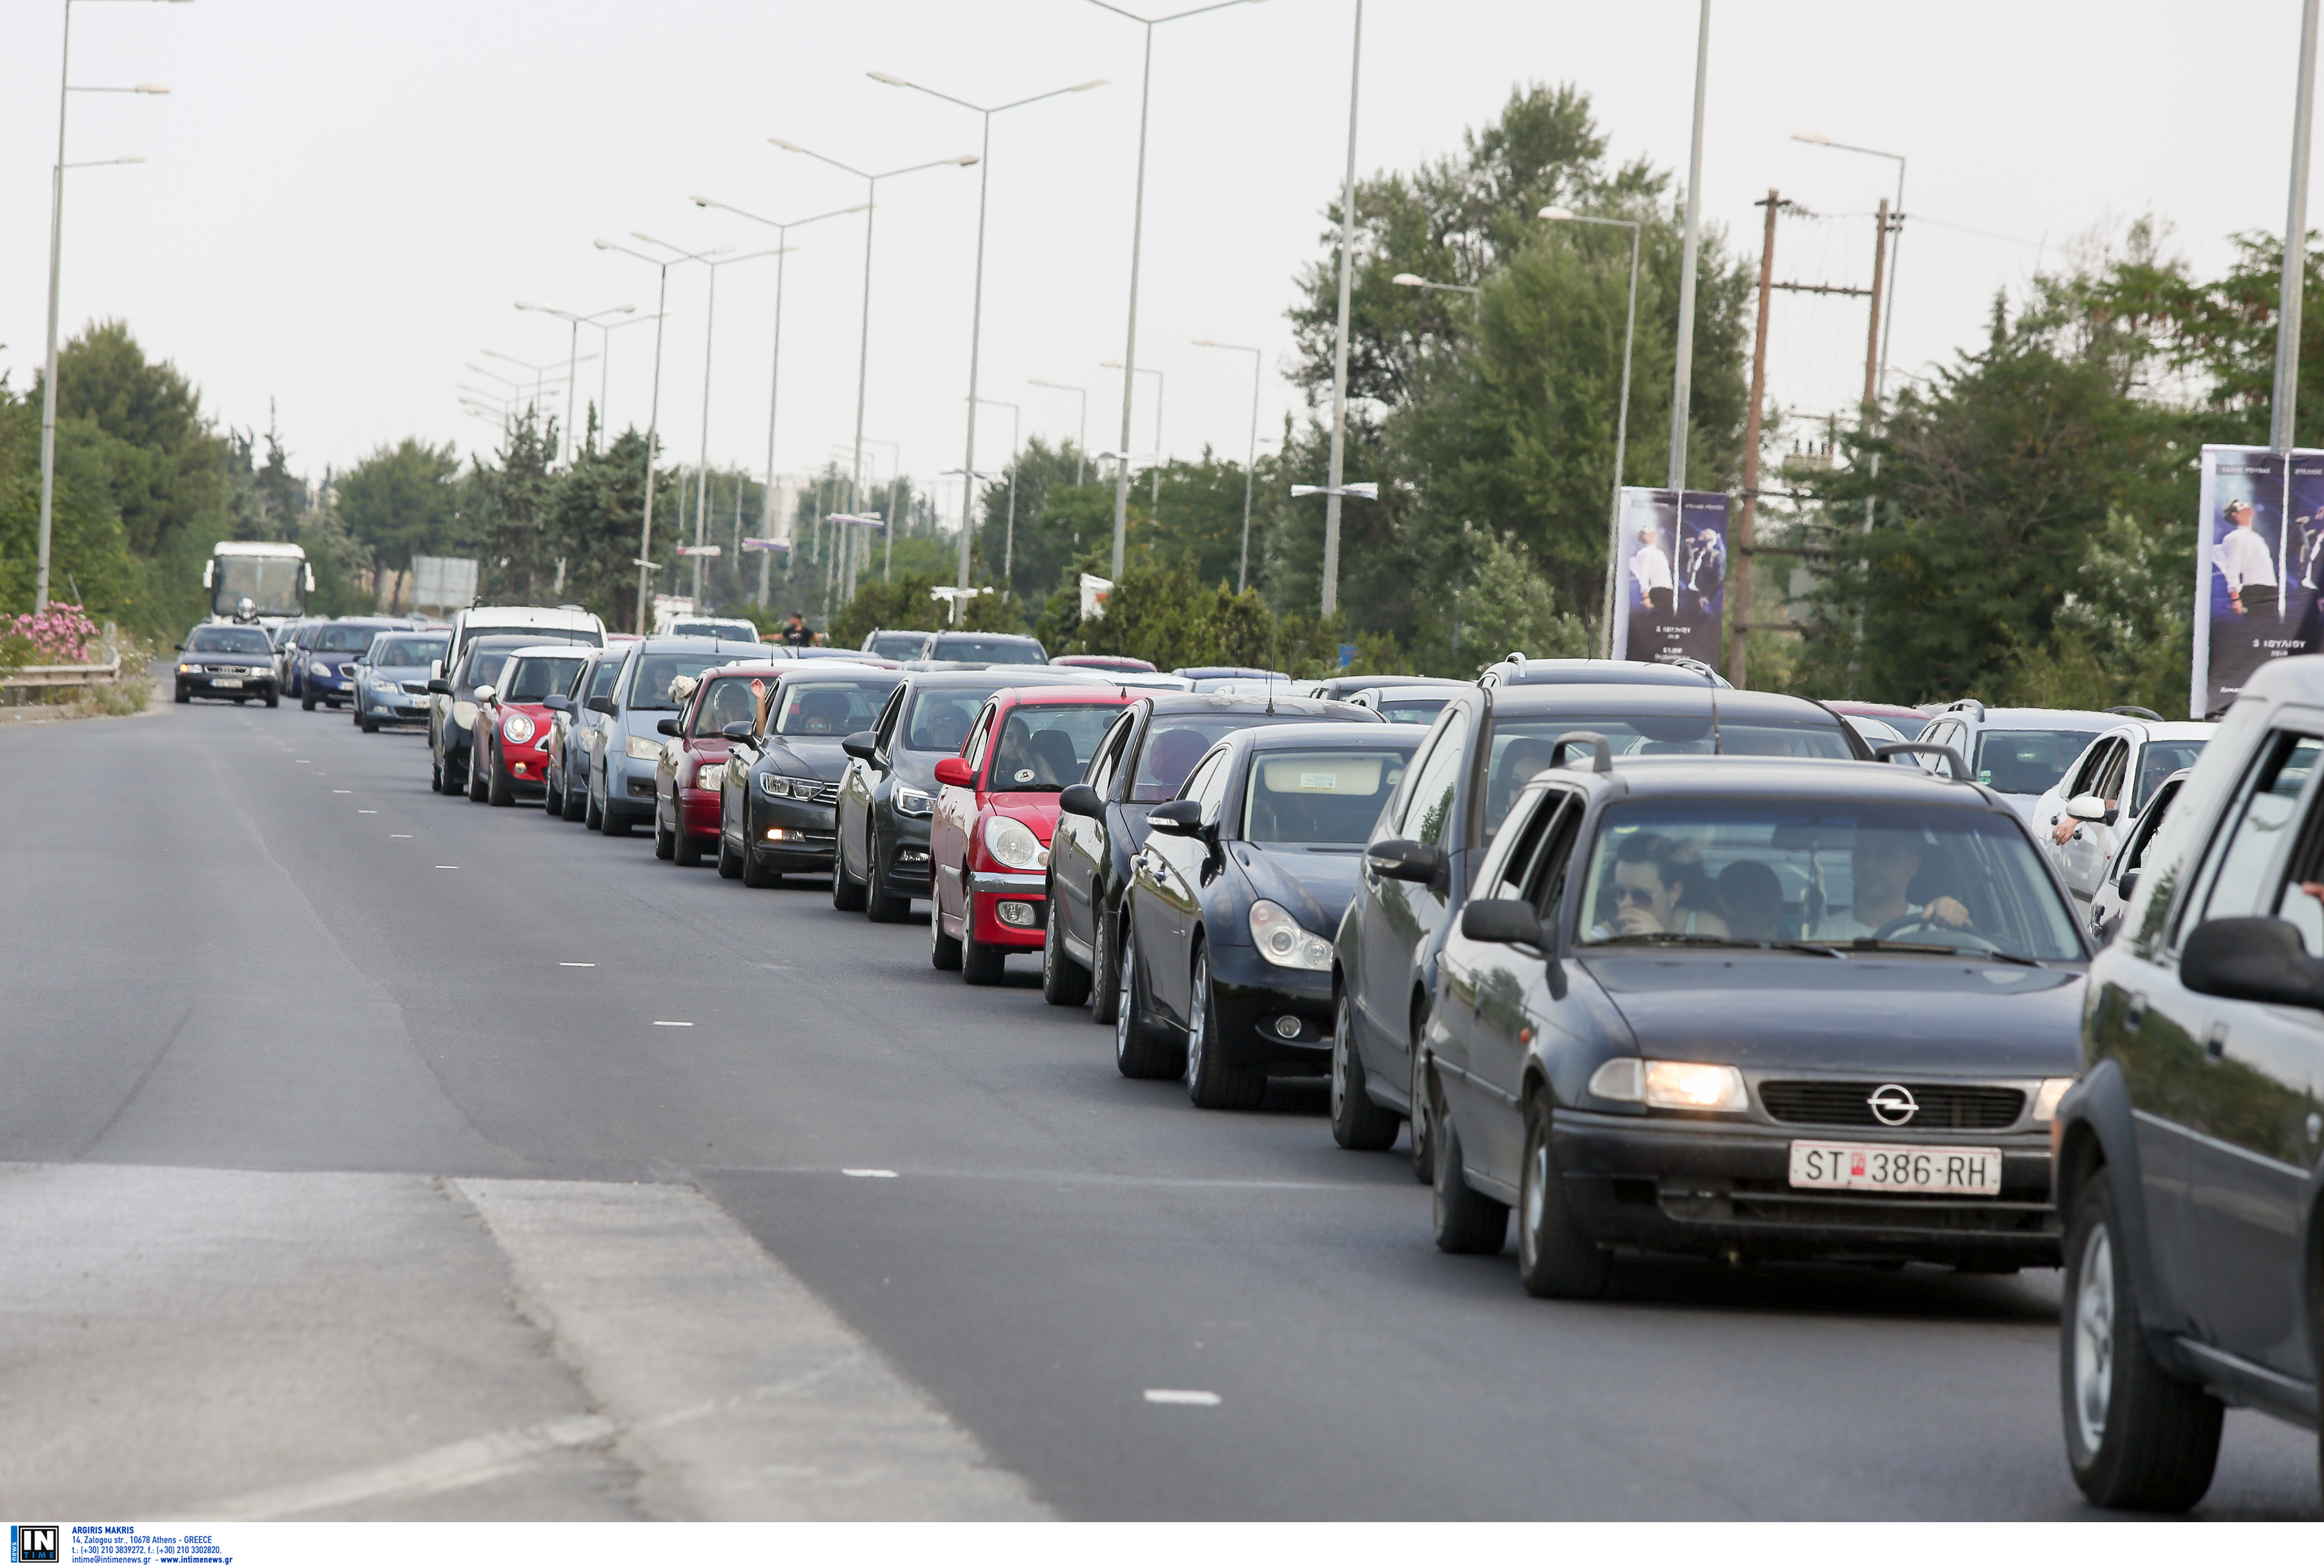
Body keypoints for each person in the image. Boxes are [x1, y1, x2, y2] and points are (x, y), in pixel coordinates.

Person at [1811, 826, 1972, 941]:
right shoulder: (1824, 935)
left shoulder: (1937, 930)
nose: (1869, 865)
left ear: (1912, 866)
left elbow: (1978, 956)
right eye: (1862, 853)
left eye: (1885, 854)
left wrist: (1956, 917)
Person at [1592, 833, 1728, 939]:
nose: (1624, 904)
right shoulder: (1611, 932)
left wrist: (1661, 941)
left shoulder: (1706, 930)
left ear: (1675, 892)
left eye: (1641, 896)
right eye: (1619, 893)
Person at [2215, 498, 2278, 619]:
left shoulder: (2257, 537)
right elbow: (2232, 570)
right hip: (2253, 590)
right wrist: (2236, 598)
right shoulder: (2234, 538)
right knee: (2256, 629)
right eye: (2242, 505)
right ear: (2235, 515)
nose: (2248, 505)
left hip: (2270, 589)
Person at [1630, 524, 1674, 615]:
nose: (1652, 530)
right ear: (1644, 536)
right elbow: (1644, 575)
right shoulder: (1645, 553)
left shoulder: (1660, 553)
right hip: (1658, 592)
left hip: (1668, 592)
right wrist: (1646, 597)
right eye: (1648, 530)